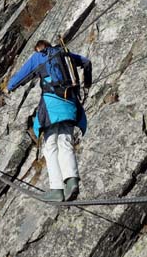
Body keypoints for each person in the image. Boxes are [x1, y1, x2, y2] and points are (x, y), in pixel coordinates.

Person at [6, 39, 92, 202]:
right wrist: (87, 83)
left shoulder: (39, 57)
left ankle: (57, 189)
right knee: (66, 142)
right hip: (71, 105)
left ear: (38, 48)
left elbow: (22, 75)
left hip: (52, 106)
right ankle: (72, 181)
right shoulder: (65, 53)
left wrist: (9, 87)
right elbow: (87, 62)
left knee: (50, 145)